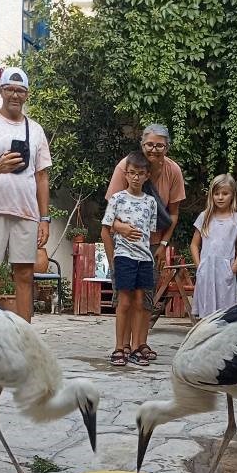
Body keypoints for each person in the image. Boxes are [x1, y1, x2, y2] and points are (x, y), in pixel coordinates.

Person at [0, 67, 52, 322]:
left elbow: (41, 176)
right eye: (10, 89)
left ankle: (25, 337)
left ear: (26, 95)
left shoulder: (35, 130)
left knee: (25, 274)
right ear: (1, 91)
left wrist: (44, 219)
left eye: (21, 90)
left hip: (25, 212)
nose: (15, 95)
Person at [104, 123, 186, 360]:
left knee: (145, 296)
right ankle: (123, 345)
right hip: (124, 245)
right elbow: (111, 212)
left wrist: (163, 246)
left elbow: (173, 214)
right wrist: (119, 230)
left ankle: (141, 344)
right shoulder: (125, 166)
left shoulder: (173, 171)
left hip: (152, 245)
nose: (154, 149)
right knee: (125, 296)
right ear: (142, 145)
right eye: (149, 144)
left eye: (160, 145)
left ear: (167, 147)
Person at [101, 151, 157, 366]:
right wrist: (112, 258)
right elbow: (106, 228)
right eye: (132, 173)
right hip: (124, 257)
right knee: (123, 301)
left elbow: (150, 233)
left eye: (140, 173)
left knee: (140, 302)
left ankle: (135, 348)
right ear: (126, 174)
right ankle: (118, 347)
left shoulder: (151, 202)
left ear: (147, 176)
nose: (136, 177)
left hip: (144, 259)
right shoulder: (117, 198)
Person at [191, 174, 237, 317]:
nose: (220, 197)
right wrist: (200, 266)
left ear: (232, 195)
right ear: (211, 195)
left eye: (225, 193)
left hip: (225, 272)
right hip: (206, 271)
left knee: (226, 314)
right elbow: (194, 245)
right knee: (206, 314)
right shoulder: (204, 217)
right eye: (216, 194)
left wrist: (233, 269)